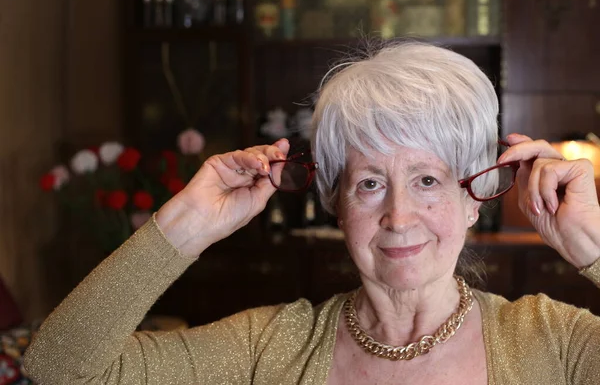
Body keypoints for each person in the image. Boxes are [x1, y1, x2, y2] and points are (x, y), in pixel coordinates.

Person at [24, 41, 600, 384]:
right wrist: (184, 228)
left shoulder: (555, 342)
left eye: (427, 179)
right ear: (336, 204)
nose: (399, 216)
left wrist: (593, 248)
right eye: (370, 184)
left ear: (472, 199)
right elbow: (60, 366)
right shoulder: (269, 347)